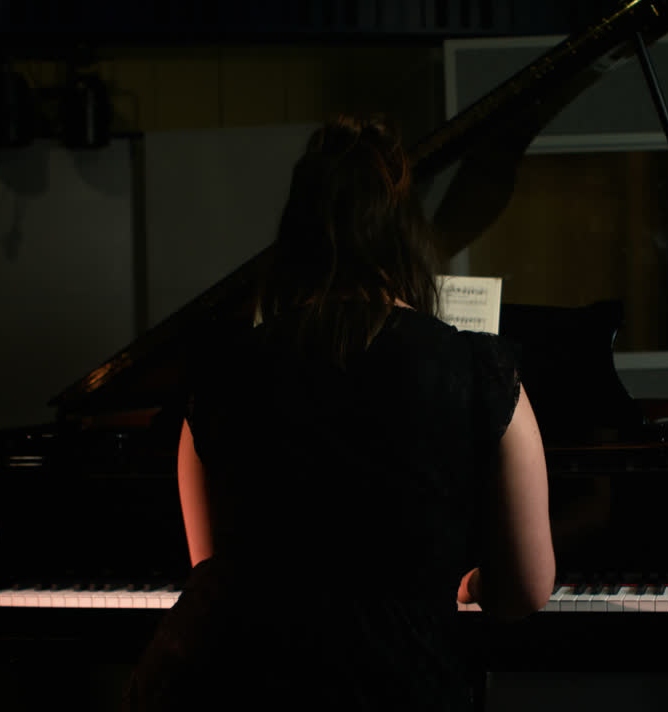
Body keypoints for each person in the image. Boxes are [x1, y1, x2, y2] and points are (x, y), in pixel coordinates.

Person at [123, 114, 554, 711]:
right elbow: (526, 590)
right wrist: (475, 582)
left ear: (293, 238)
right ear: (409, 238)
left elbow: (214, 577)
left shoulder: (218, 378)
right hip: (405, 688)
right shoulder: (481, 373)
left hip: (242, 690)